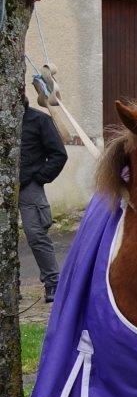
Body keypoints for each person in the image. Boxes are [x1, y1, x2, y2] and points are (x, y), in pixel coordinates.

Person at [20, 91, 68, 303]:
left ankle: (53, 283)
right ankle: (9, 287)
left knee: (36, 234)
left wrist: (39, 178)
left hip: (28, 185)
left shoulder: (39, 120)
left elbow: (59, 154)